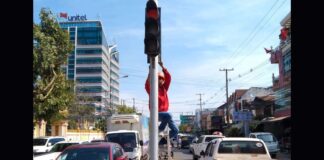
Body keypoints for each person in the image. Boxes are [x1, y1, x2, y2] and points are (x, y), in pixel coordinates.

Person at [145, 62, 179, 145]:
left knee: (176, 130)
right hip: (156, 113)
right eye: (158, 78)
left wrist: (163, 66)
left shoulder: (164, 88)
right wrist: (150, 72)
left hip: (165, 115)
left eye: (162, 79)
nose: (160, 80)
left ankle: (162, 141)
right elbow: (147, 84)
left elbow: (169, 77)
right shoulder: (152, 89)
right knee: (169, 115)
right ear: (155, 79)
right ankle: (160, 128)